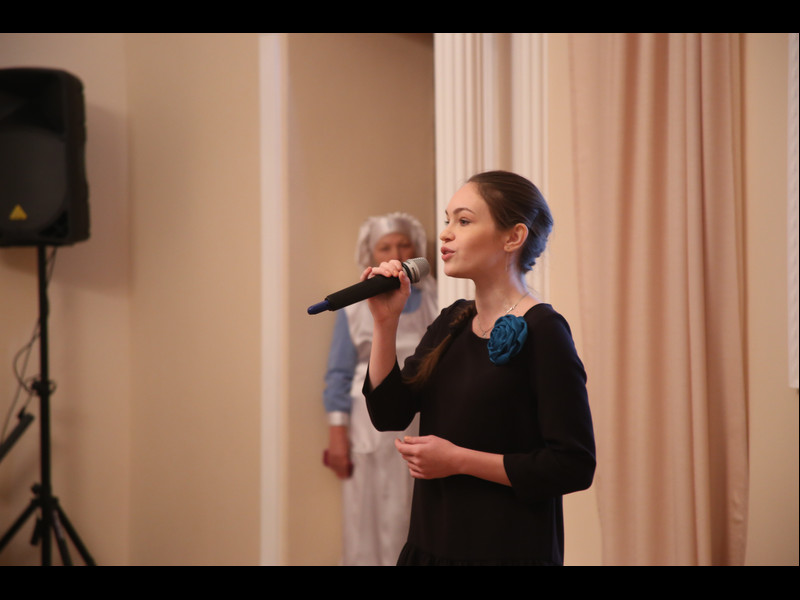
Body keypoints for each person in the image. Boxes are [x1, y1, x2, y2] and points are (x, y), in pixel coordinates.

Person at [362, 171, 596, 566]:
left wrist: (458, 460)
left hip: (506, 551)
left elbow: (573, 465)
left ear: (513, 237)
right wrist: (386, 323)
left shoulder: (545, 330)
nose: (445, 234)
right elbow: (389, 414)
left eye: (464, 221)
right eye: (447, 220)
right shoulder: (452, 322)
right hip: (431, 545)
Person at [322, 212, 438, 566]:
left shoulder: (437, 299)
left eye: (405, 245)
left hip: (419, 418)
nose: (397, 253)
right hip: (368, 423)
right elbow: (339, 373)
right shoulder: (355, 307)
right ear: (371, 255)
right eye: (386, 247)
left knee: (411, 511)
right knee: (366, 515)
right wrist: (337, 434)